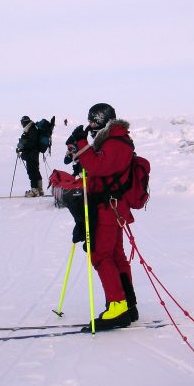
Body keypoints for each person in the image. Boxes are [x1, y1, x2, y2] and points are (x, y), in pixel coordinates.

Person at [65, 103, 138, 330]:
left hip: (109, 207)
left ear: (106, 121)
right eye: (89, 121)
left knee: (101, 256)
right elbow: (95, 166)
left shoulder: (116, 143)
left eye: (94, 122)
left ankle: (117, 306)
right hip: (109, 206)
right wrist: (78, 149)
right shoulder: (110, 141)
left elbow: (97, 167)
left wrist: (82, 144)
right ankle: (127, 304)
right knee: (115, 255)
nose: (90, 126)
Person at [16, 116, 43, 197]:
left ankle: (34, 190)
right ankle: (39, 190)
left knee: (32, 171)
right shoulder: (30, 128)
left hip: (31, 154)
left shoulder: (31, 129)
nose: (21, 124)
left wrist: (22, 146)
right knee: (35, 171)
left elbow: (31, 143)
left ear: (25, 122)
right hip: (33, 154)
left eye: (22, 122)